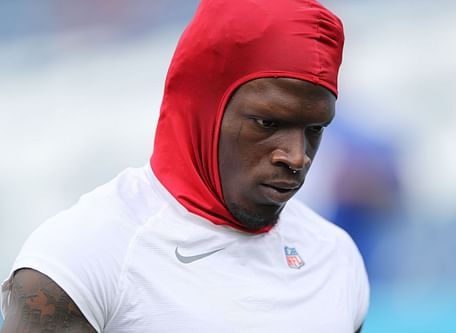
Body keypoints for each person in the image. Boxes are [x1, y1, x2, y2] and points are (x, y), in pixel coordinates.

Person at [0, 0, 369, 332]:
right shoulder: (81, 258)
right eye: (267, 123)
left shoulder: (336, 257)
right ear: (202, 108)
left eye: (315, 129)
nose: (296, 156)